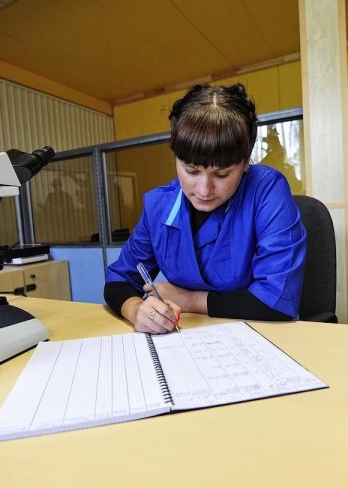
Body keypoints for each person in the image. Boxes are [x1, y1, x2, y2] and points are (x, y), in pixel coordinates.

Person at [104, 83, 307, 334]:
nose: (203, 190)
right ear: (176, 158)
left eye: (221, 174)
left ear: (245, 163)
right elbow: (118, 280)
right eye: (190, 171)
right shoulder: (158, 206)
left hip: (263, 336)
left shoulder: (266, 190)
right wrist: (136, 309)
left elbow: (277, 300)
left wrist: (190, 300)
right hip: (188, 338)